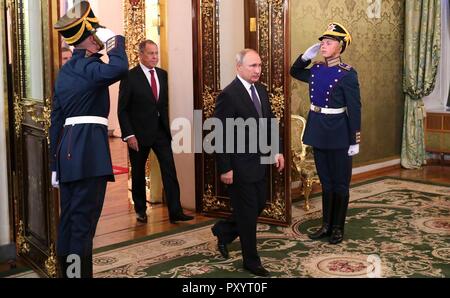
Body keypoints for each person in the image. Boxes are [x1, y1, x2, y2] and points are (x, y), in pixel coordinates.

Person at [50, 1, 129, 278]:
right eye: (96, 34)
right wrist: (115, 40)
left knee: (70, 220)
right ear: (90, 41)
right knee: (84, 223)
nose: (100, 38)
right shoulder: (89, 68)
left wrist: (54, 165)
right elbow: (120, 67)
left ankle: (66, 274)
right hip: (88, 152)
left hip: (68, 152)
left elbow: (55, 122)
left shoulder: (65, 74)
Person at [211, 49, 285, 277]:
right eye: (253, 66)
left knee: (257, 205)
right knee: (247, 213)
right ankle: (251, 262)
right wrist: (225, 168)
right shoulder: (229, 95)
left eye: (259, 66)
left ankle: (223, 230)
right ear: (239, 68)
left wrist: (277, 151)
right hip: (239, 164)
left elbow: (270, 123)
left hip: (260, 160)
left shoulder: (261, 91)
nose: (258, 70)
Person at [290, 22, 361, 244]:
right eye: (322, 42)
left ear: (340, 46)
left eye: (329, 42)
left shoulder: (347, 74)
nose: (323, 45)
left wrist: (354, 139)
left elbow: (355, 108)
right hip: (319, 130)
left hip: (339, 133)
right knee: (327, 183)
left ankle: (338, 228)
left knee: (340, 184)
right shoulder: (317, 70)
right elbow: (295, 71)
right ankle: (326, 225)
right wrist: (305, 57)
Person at [118, 40, 194, 224]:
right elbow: (123, 109)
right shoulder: (129, 77)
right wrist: (129, 135)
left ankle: (175, 212)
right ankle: (140, 210)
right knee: (137, 173)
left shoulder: (162, 75)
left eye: (156, 53)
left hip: (160, 132)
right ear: (141, 55)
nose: (155, 57)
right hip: (138, 134)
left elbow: (162, 104)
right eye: (151, 53)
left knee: (169, 171)